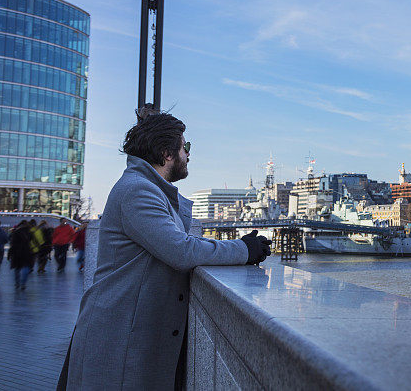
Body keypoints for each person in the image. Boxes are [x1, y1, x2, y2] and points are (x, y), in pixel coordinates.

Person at [59, 111, 271, 390]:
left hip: (130, 331)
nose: (188, 154)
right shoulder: (138, 190)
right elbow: (181, 250)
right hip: (119, 336)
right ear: (166, 153)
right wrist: (244, 249)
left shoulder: (147, 188)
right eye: (186, 147)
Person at [8, 222, 34, 290]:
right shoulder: (29, 233)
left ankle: (17, 283)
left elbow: (12, 244)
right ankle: (23, 283)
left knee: (17, 268)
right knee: (26, 267)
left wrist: (9, 254)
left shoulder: (16, 233)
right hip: (27, 252)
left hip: (17, 252)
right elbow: (31, 241)